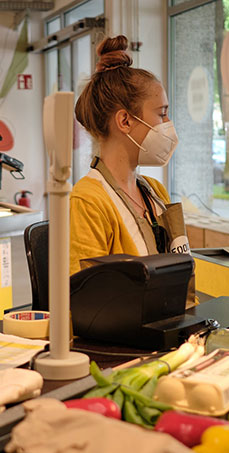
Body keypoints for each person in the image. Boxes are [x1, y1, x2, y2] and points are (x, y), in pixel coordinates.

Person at [70, 35, 181, 274]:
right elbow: (84, 300)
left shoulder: (155, 192)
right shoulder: (88, 202)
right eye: (162, 114)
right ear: (125, 120)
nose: (168, 123)